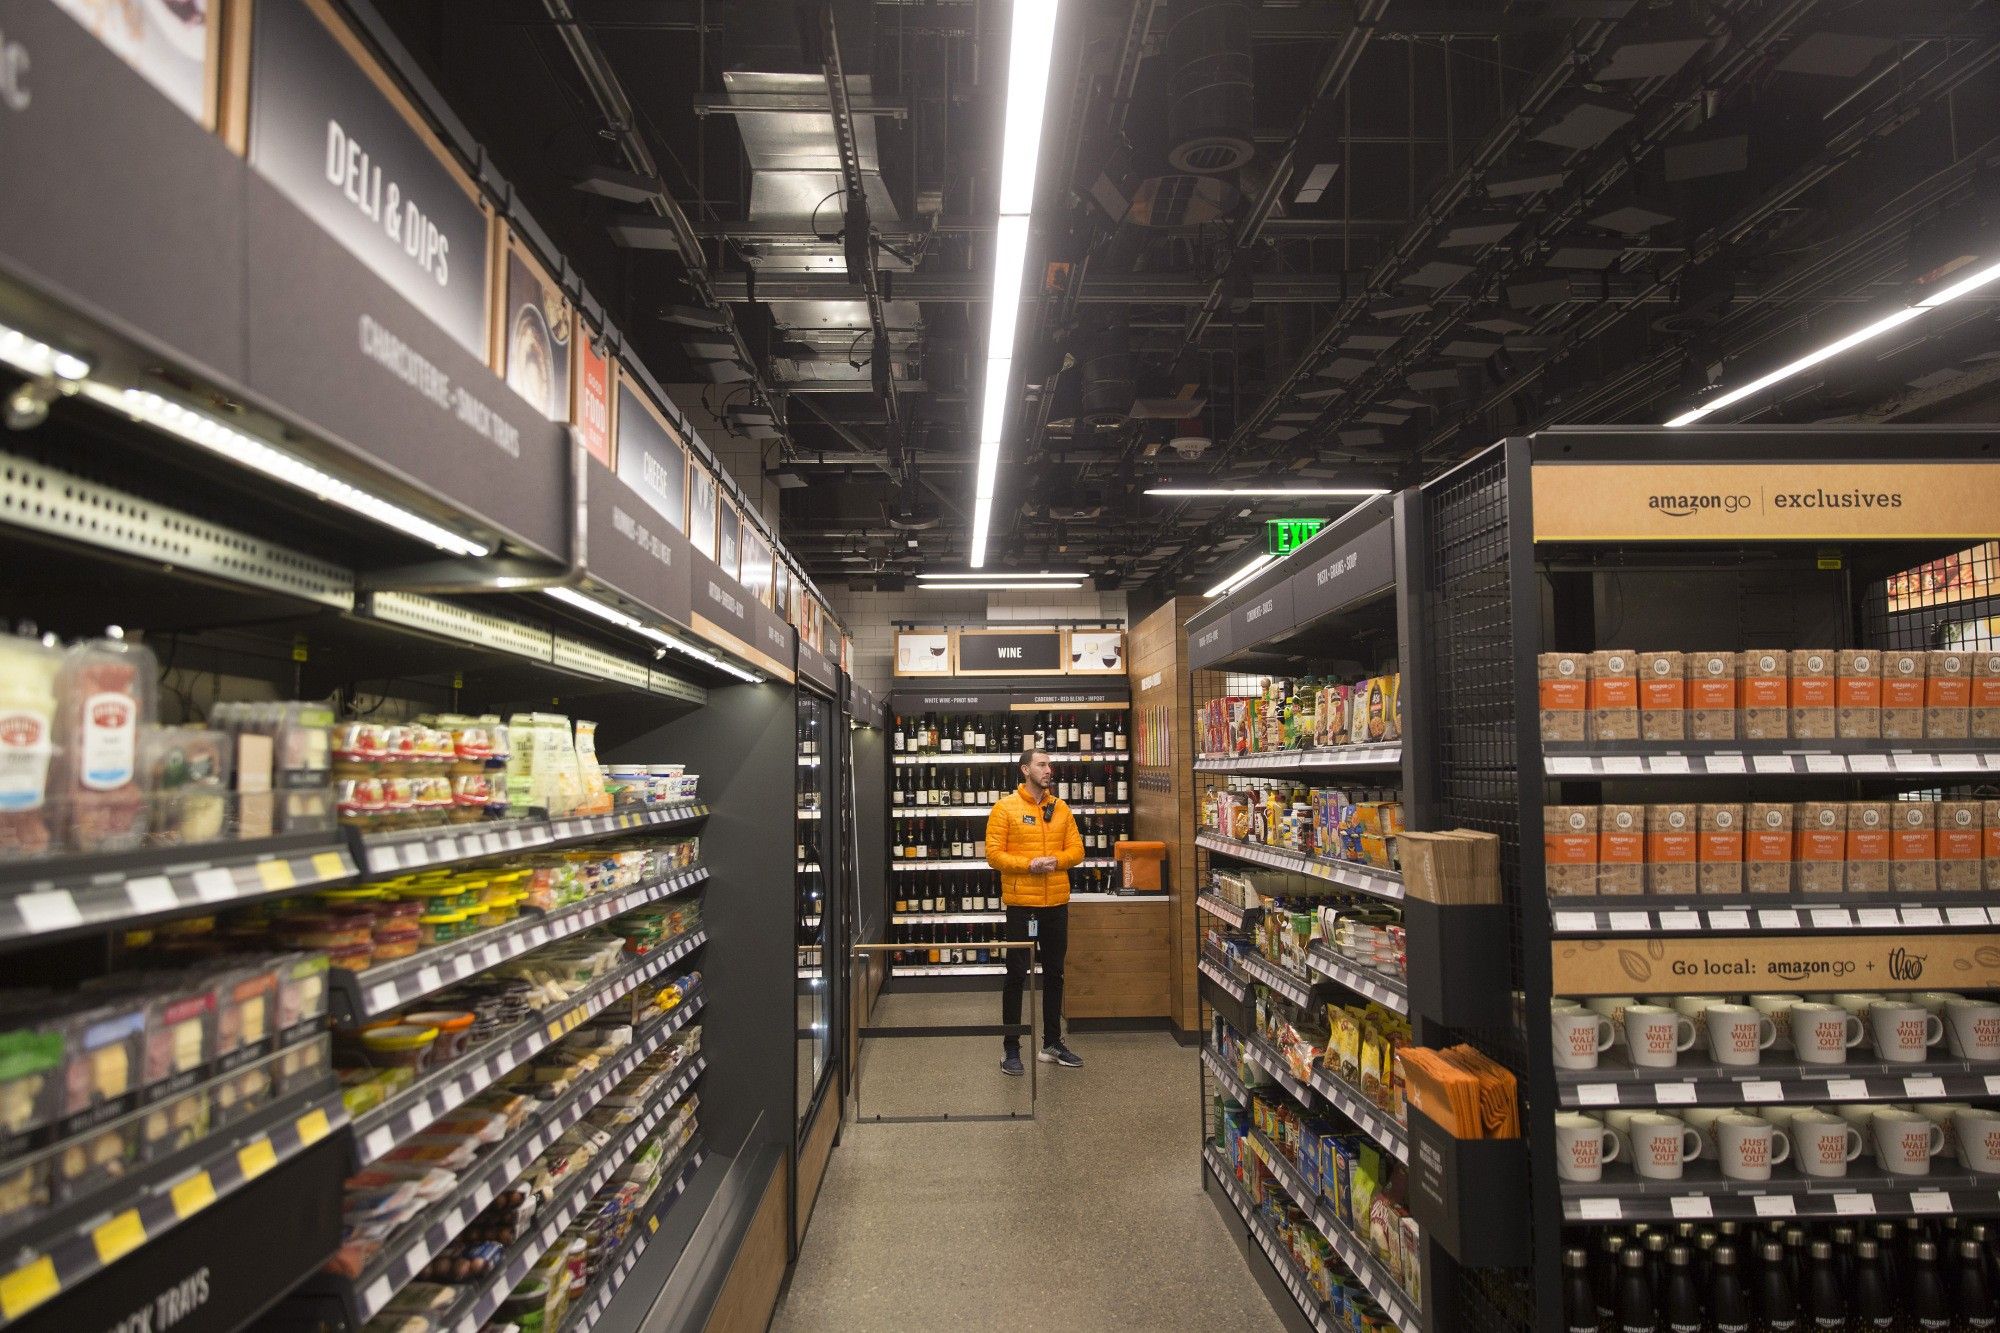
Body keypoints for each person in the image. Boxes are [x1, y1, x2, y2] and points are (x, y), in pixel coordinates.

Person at [985, 747, 1085, 1075]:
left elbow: (1077, 851)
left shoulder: (1061, 808)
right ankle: (1010, 1048)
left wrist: (1057, 860)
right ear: (1025, 770)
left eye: (1049, 764)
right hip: (1022, 907)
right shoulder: (1005, 808)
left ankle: (1052, 1043)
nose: (1048, 769)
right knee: (1016, 976)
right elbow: (994, 855)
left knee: (1055, 974)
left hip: (1056, 904)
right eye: (1042, 764)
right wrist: (1029, 865)